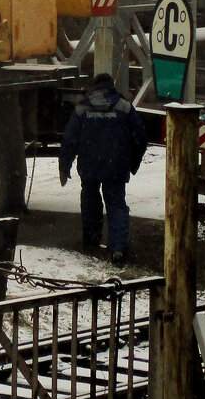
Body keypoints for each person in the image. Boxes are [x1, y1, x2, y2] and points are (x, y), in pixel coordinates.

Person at [59, 73, 148, 266]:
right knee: (116, 205)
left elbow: (69, 139)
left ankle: (91, 242)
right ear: (111, 86)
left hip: (90, 166)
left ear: (94, 87)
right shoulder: (123, 106)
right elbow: (140, 136)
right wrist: (133, 163)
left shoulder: (83, 107)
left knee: (90, 202)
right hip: (116, 166)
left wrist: (64, 167)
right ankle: (118, 250)